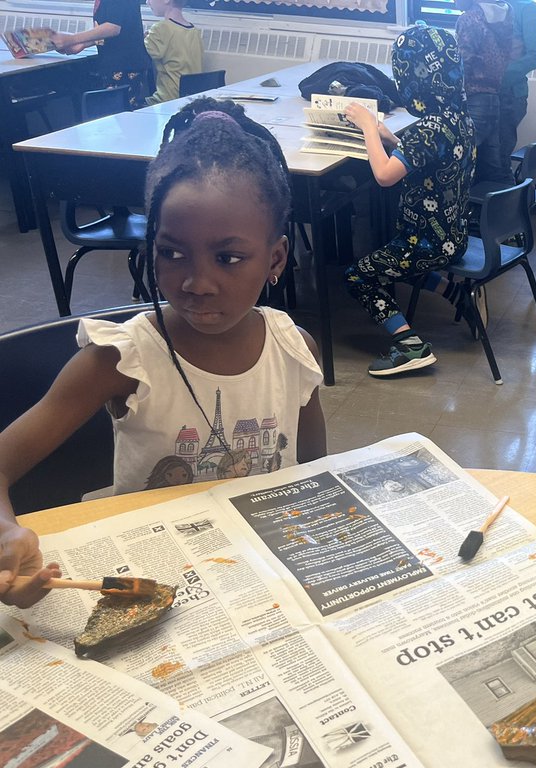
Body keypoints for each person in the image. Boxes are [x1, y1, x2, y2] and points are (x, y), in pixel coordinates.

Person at [0, 98, 326, 609]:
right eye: (171, 253)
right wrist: (5, 534)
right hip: (152, 581)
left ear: (276, 259)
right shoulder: (121, 361)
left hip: (259, 581)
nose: (197, 282)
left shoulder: (294, 348)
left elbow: (310, 470)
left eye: (229, 258)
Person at [343, 24, 474, 378]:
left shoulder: (424, 130)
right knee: (397, 265)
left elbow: (385, 176)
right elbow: (425, 156)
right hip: (454, 237)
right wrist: (389, 137)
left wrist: (370, 126)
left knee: (359, 276)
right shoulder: (457, 118)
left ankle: (409, 345)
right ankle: (458, 294)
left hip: (425, 245)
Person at [51, 0, 154, 106]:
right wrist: (82, 43)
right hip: (117, 65)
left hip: (125, 66)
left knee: (119, 112)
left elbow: (113, 28)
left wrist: (72, 39)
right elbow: (115, 29)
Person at [456, 0, 514, 185]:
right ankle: (511, 211)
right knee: (494, 165)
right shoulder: (503, 17)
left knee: (460, 161)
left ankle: (461, 212)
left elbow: (463, 61)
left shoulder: (468, 19)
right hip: (493, 97)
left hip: (473, 97)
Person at [497, 0, 536, 163]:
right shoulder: (487, 5)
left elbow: (535, 56)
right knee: (485, 158)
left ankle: (504, 188)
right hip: (484, 94)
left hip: (510, 94)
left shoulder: (526, 7)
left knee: (498, 159)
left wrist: (497, 77)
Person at [143, 0, 202, 106]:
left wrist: (142, 39)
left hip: (166, 99)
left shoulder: (160, 28)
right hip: (189, 99)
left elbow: (140, 55)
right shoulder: (194, 31)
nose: (147, 2)